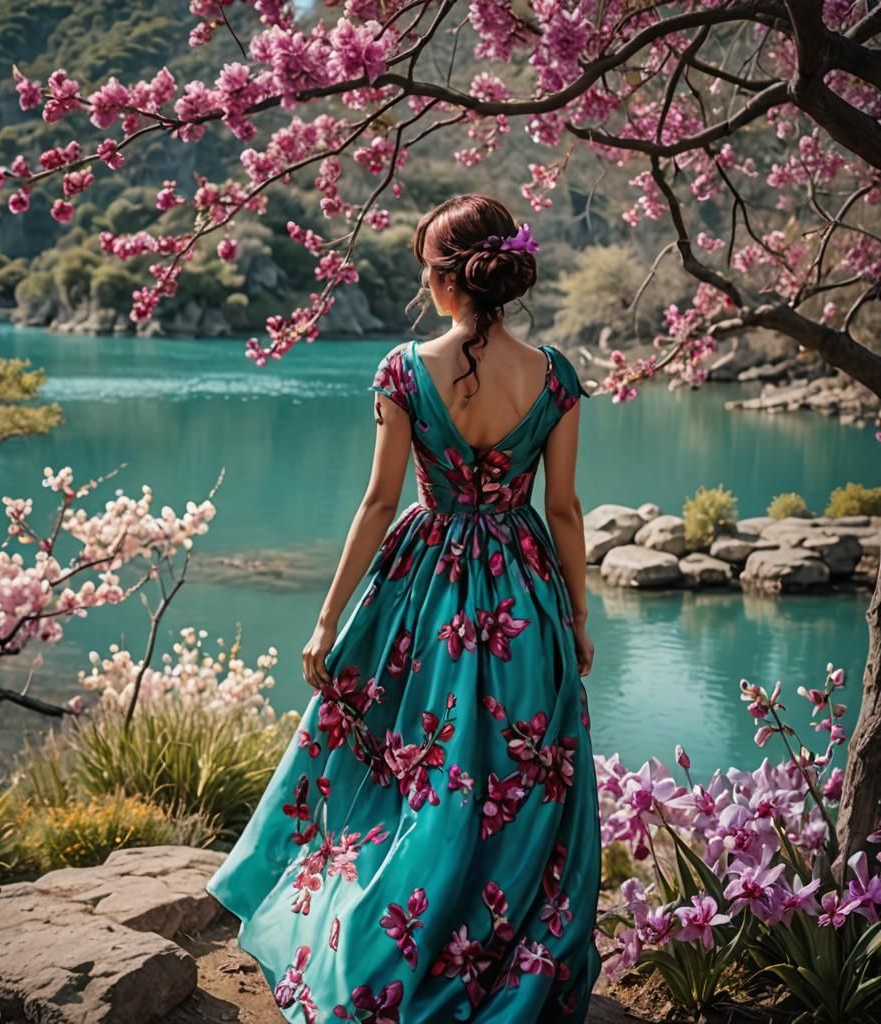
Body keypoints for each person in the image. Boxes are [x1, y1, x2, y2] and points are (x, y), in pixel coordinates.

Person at [206, 193, 602, 1023]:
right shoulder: (554, 376)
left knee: (420, 775)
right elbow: (564, 509)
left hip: (422, 594)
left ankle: (392, 939)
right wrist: (576, 614)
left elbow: (379, 503)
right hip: (524, 594)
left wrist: (326, 620)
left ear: (447, 279)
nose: (423, 279)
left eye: (428, 265)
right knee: (516, 780)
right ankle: (499, 950)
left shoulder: (401, 369)